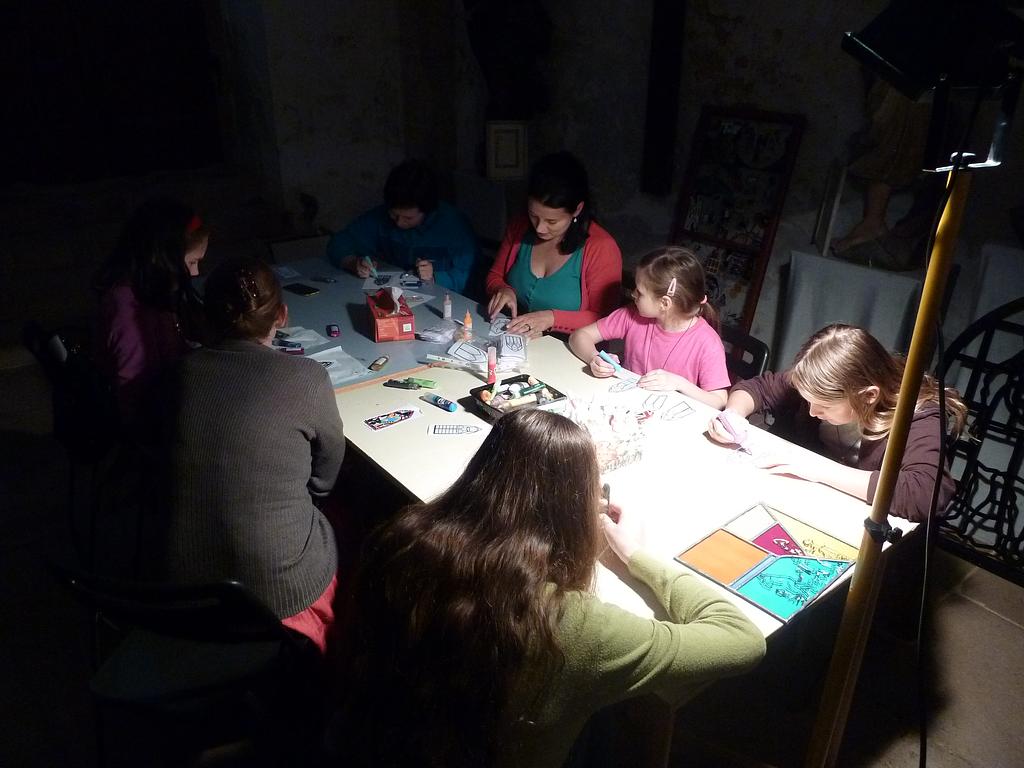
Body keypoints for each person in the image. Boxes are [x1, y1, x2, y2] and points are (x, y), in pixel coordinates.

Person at [336, 409, 765, 768]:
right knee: (625, 715)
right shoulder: (575, 623)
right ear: (573, 511)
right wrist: (637, 555)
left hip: (375, 745)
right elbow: (742, 639)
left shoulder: (402, 538)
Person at [154, 257, 346, 653]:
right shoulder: (308, 377)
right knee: (345, 517)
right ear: (282, 315)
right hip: (282, 595)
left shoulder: (178, 374)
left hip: (184, 590)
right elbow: (326, 477)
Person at [707, 324, 967, 522]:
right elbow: (758, 388)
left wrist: (817, 469)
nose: (812, 411)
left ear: (868, 396)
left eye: (824, 406)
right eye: (809, 400)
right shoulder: (819, 384)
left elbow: (925, 494)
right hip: (805, 503)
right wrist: (733, 415)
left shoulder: (918, 414)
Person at [569, 246, 730, 409]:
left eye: (640, 292)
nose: (633, 294)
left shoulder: (707, 342)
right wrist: (594, 357)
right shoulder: (631, 314)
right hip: (624, 406)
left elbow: (719, 400)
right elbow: (579, 336)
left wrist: (680, 384)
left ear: (664, 303)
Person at [94, 198, 208, 425]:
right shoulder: (126, 308)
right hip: (154, 422)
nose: (196, 273)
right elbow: (134, 389)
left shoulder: (153, 293)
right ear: (161, 258)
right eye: (192, 262)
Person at [486, 151, 622, 337]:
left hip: (571, 348)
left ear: (577, 210)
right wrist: (503, 290)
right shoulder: (520, 226)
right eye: (534, 215)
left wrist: (551, 319)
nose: (540, 228)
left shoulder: (601, 248)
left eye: (552, 221)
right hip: (519, 339)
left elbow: (607, 319)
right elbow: (495, 275)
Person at [326, 158, 482, 295]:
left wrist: (435, 277)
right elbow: (339, 242)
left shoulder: (453, 226)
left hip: (442, 301)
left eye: (408, 218)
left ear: (427, 210)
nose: (399, 223)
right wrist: (353, 263)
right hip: (394, 295)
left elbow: (469, 275)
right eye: (394, 215)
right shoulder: (380, 217)